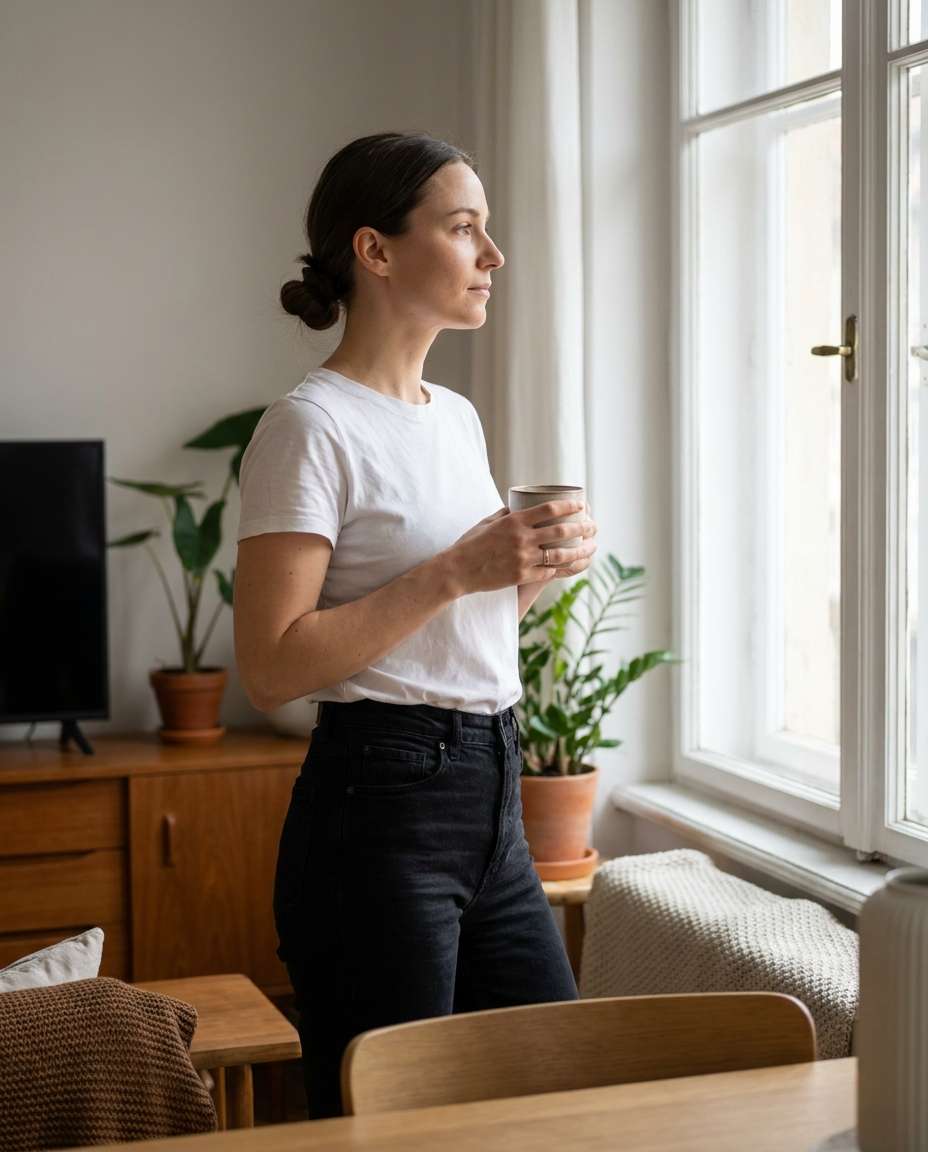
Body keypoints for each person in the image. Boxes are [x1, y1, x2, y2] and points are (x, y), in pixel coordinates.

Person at [233, 131, 599, 1119]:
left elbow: (453, 633)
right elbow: (272, 664)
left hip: (492, 794)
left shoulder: (455, 417)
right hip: (380, 812)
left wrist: (527, 572)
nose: (494, 254)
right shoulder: (309, 426)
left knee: (552, 1098)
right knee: (394, 1124)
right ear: (376, 250)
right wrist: (455, 571)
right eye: (464, 227)